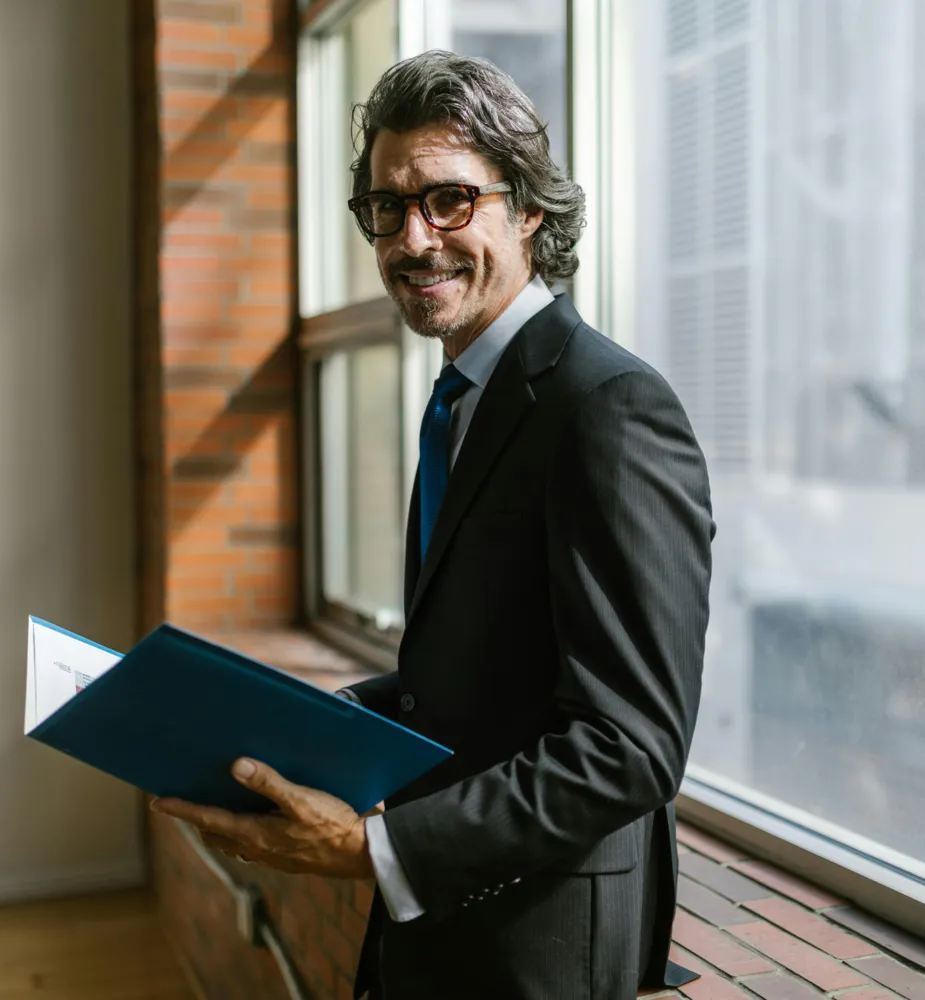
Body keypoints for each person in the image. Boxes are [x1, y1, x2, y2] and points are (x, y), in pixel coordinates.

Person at [153, 50, 714, 1000]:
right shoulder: (466, 396)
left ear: (526, 209)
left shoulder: (609, 408)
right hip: (448, 924)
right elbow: (484, 678)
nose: (414, 239)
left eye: (449, 200)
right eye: (388, 207)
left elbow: (630, 746)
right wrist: (308, 727)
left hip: (539, 945)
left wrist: (373, 850)